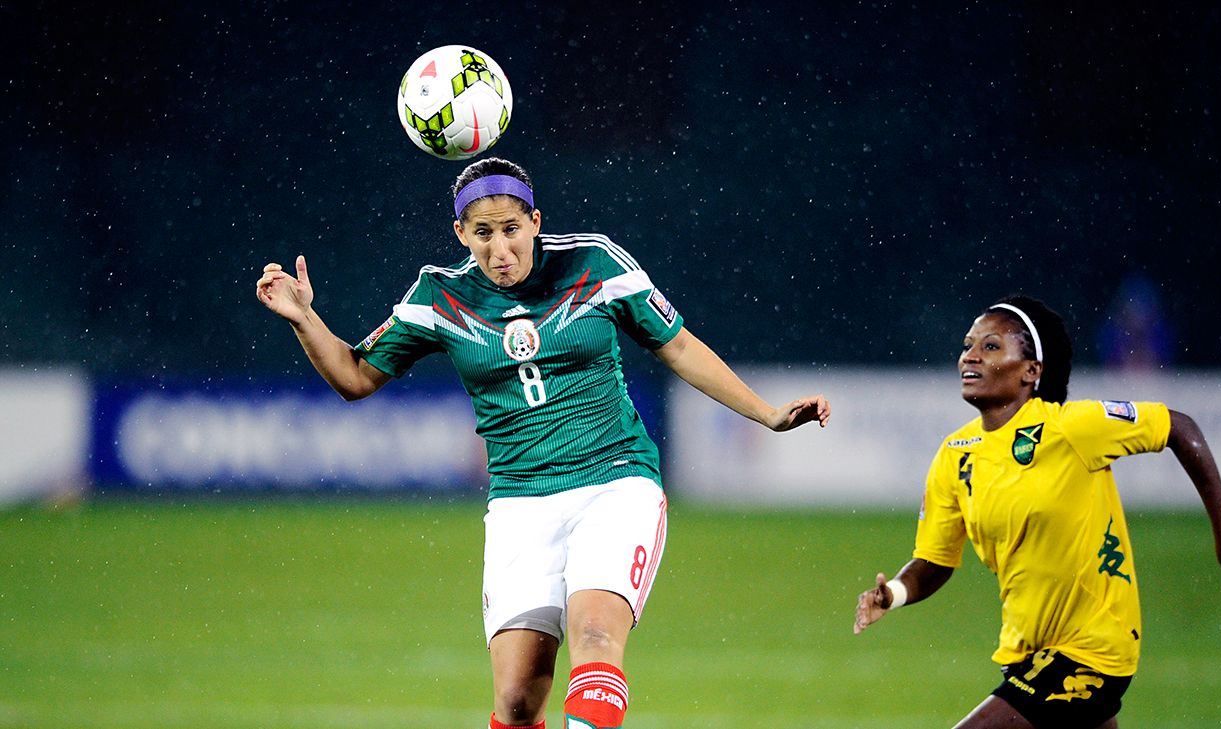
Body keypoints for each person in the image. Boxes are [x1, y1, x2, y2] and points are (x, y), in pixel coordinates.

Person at [255, 157, 830, 729]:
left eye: (511, 229)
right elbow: (356, 377)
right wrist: (305, 319)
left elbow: (676, 346)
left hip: (615, 480)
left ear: (535, 221)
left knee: (596, 635)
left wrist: (768, 415)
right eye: (482, 233)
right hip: (520, 504)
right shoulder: (438, 295)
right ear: (461, 233)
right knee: (517, 699)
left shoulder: (595, 263)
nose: (499, 249)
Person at [852, 295, 1221, 729]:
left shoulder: (1069, 428)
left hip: (1094, 650)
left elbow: (1177, 427)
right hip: (1028, 654)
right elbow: (934, 561)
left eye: (991, 346)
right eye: (967, 345)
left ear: (1031, 371)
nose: (970, 356)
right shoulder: (955, 455)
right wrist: (894, 594)